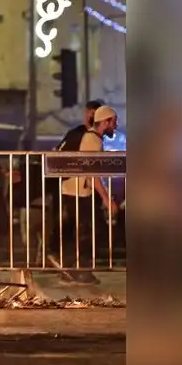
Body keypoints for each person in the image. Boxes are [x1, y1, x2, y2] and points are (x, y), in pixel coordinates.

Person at [53, 105, 120, 282]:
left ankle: (70, 269)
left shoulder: (92, 138)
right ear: (105, 122)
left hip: (74, 190)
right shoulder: (92, 140)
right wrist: (106, 198)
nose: (116, 125)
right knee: (89, 230)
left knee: (82, 230)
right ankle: (79, 268)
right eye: (114, 121)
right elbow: (91, 173)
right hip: (78, 192)